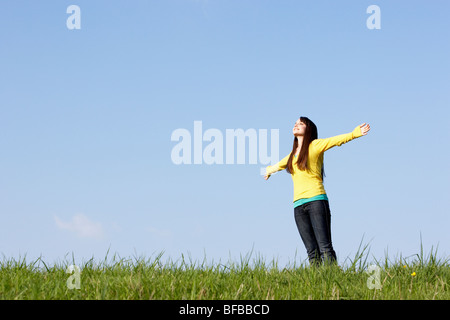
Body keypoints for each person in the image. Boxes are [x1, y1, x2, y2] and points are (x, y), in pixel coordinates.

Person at [264, 117, 371, 266]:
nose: (296, 125)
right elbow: (279, 164)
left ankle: (333, 279)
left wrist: (354, 134)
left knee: (325, 247)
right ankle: (317, 284)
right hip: (298, 206)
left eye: (301, 124)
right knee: (311, 251)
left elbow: (335, 140)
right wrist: (268, 170)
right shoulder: (292, 155)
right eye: (295, 123)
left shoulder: (315, 145)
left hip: (316, 202)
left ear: (309, 129)